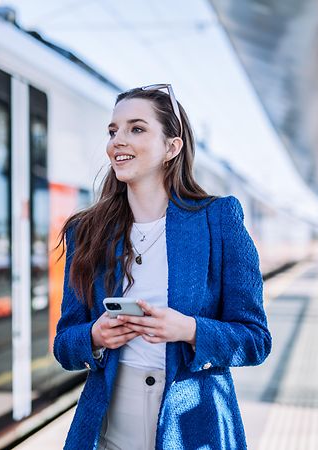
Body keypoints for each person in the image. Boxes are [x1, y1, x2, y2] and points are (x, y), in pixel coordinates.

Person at [53, 84, 272, 450]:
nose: (117, 141)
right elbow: (64, 344)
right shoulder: (86, 231)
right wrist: (95, 337)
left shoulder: (218, 220)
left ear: (172, 147)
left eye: (136, 129)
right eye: (113, 131)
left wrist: (189, 329)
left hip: (194, 425)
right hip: (108, 425)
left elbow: (255, 340)